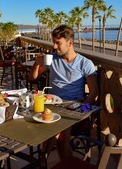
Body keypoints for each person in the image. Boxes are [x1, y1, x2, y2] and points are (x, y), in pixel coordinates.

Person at [29, 25, 98, 161]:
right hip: (52, 104)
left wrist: (82, 110)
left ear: (70, 43)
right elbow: (33, 78)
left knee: (61, 132)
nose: (54, 47)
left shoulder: (85, 64)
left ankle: (44, 159)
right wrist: (36, 64)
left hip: (74, 106)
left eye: (58, 43)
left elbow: (94, 92)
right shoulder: (52, 59)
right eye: (54, 42)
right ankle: (43, 159)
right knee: (46, 123)